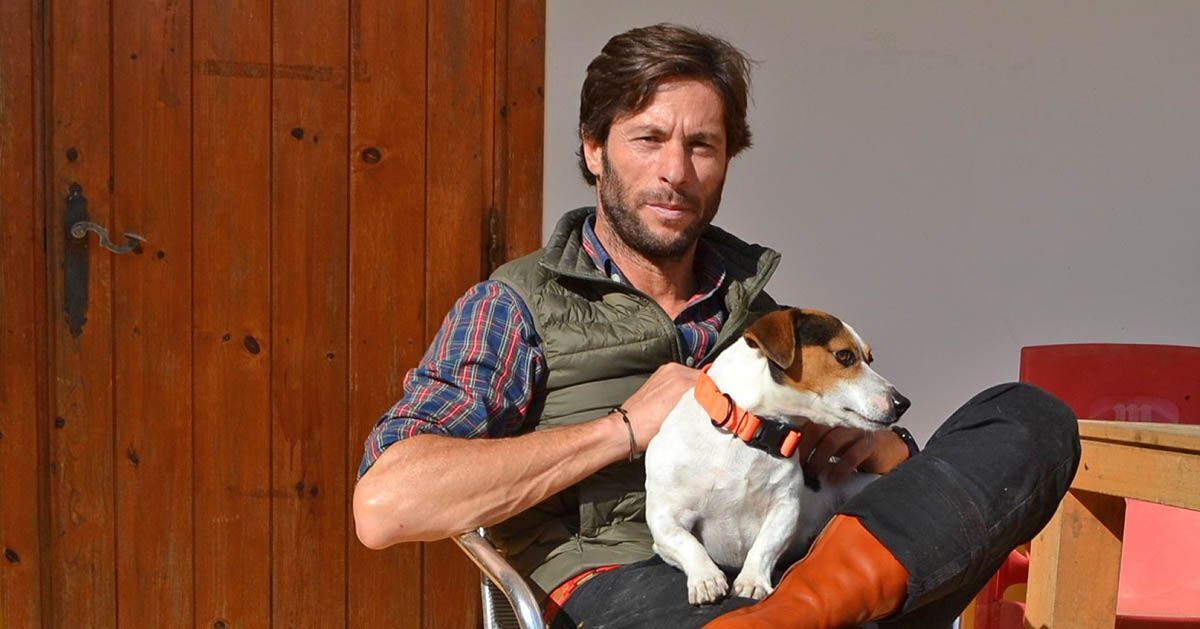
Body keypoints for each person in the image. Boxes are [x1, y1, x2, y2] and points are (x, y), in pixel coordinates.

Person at [353, 23, 1080, 629]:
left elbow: (895, 481)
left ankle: (793, 617)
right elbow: (385, 506)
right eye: (649, 139)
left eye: (702, 145)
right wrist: (622, 429)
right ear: (594, 149)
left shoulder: (764, 317)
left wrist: (875, 448)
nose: (676, 170)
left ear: (728, 159)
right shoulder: (515, 307)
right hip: (619, 580)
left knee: (1027, 418)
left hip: (792, 569)